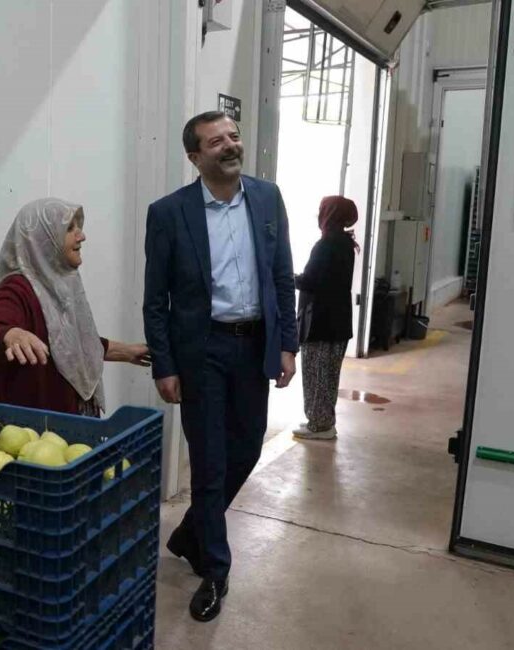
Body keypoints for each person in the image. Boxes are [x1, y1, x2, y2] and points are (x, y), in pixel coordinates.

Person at [143, 112, 297, 622]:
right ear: (195, 157)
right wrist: (163, 363)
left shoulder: (268, 198)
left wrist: (287, 344)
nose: (231, 145)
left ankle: (190, 534)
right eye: (216, 142)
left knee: (247, 447)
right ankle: (215, 569)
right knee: (209, 462)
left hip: (254, 346)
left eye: (234, 135)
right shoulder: (169, 213)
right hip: (202, 351)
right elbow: (155, 299)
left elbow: (281, 278)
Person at [0, 198, 150, 416]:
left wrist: (127, 352)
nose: (81, 236)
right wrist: (10, 334)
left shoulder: (59, 283)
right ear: (43, 239)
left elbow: (70, 344)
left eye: (79, 227)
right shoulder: (16, 289)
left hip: (65, 431)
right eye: (69, 228)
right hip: (32, 436)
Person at [293, 196, 359, 440]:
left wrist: (288, 277)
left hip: (321, 322)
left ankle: (318, 425)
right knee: (329, 375)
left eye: (322, 210)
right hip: (339, 322)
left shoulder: (325, 245)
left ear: (329, 214)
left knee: (316, 374)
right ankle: (324, 421)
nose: (318, 214)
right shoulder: (345, 243)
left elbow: (312, 281)